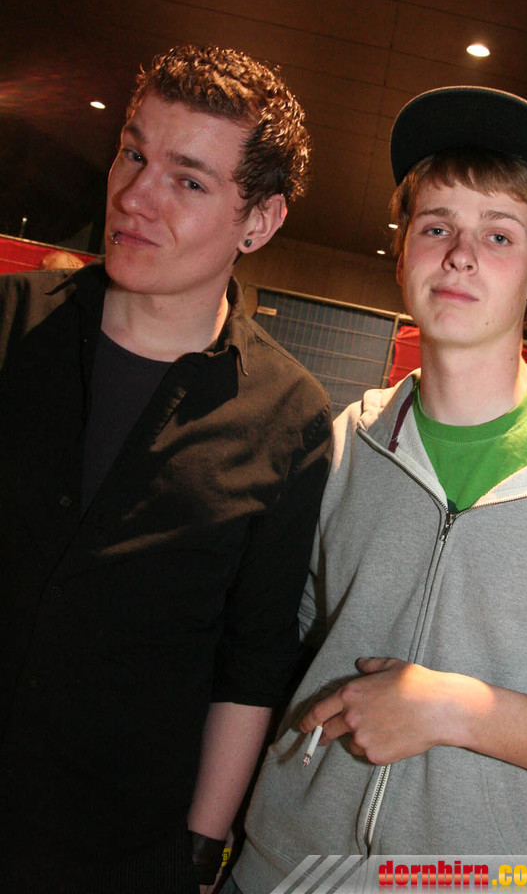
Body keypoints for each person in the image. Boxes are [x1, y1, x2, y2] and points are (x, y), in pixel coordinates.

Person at [233, 87, 527, 892]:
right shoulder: (344, 445)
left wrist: (454, 710)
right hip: (286, 870)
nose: (460, 256)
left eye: (498, 235)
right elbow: (268, 650)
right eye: (435, 227)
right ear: (403, 250)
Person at [0, 44, 332, 894]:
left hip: (114, 851)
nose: (134, 196)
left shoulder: (286, 417)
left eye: (188, 180)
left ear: (259, 222)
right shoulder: (8, 327)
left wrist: (199, 851)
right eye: (132, 154)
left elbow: (251, 660)